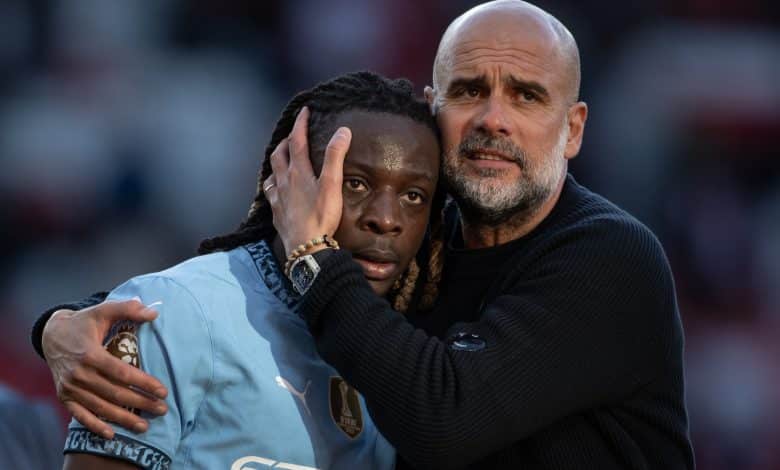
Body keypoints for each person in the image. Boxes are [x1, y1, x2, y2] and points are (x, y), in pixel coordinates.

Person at [32, 1, 694, 469]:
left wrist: (313, 255)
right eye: (469, 90)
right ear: (435, 111)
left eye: (526, 96)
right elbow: (215, 289)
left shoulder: (610, 255)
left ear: (573, 128)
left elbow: (443, 420)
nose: (494, 118)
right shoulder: (419, 243)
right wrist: (65, 325)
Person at [48, 71, 444, 469]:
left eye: (414, 195)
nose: (386, 219)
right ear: (290, 179)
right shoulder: (178, 311)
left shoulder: (412, 352)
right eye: (355, 183)